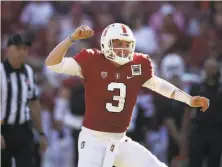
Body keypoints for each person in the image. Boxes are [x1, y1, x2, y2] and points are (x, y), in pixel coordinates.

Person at [45, 23, 209, 167]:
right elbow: (52, 63)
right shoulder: (91, 59)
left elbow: (159, 85)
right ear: (106, 44)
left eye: (127, 44)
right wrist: (71, 38)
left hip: (120, 140)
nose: (123, 49)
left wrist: (188, 99)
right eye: (118, 44)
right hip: (93, 140)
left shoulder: (137, 64)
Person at [1, 33, 48, 167]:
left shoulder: (29, 72)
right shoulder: (0, 72)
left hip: (24, 129)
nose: (22, 52)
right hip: (4, 129)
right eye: (18, 48)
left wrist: (41, 133)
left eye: (25, 49)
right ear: (8, 49)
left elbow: (34, 104)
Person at [182, 57, 222, 167]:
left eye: (213, 67)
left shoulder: (220, 89)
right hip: (199, 131)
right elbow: (187, 112)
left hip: (217, 132)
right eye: (208, 67)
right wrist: (185, 134)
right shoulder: (196, 88)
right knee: (195, 162)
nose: (211, 70)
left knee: (214, 162)